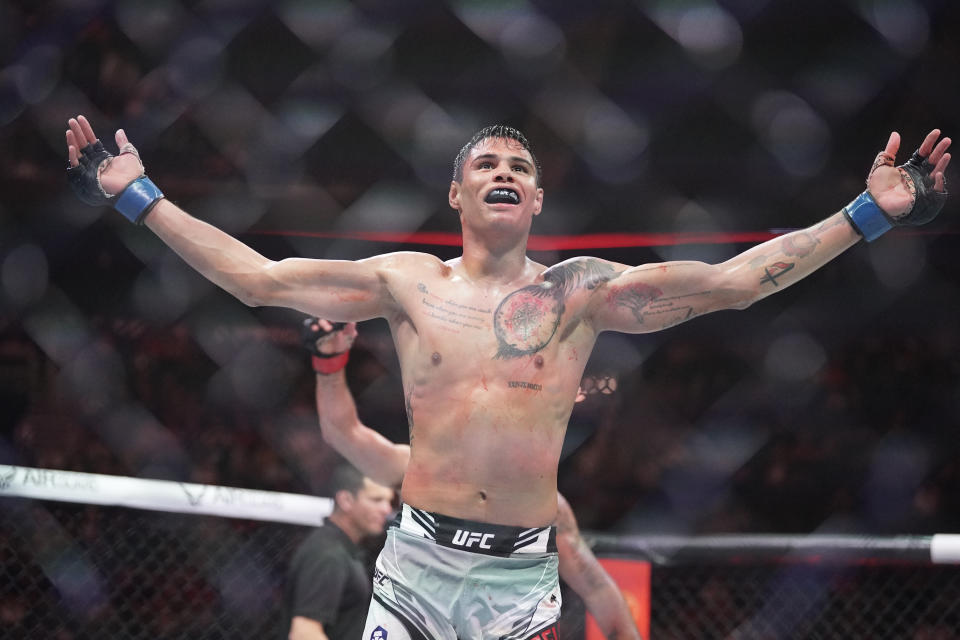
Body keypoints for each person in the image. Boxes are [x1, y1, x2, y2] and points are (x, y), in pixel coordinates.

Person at [65, 115, 950, 639]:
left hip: (519, 586)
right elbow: (255, 278)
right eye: (484, 165)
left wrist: (868, 214)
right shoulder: (403, 281)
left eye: (519, 169)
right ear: (456, 196)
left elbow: (735, 284)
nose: (502, 174)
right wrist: (138, 196)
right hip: (411, 565)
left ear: (535, 204)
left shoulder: (583, 292)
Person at [301, 317, 642, 640]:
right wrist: (328, 363)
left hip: (510, 614)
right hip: (418, 604)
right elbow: (343, 433)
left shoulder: (541, 504)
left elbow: (597, 589)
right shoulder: (422, 467)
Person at [283, 463, 394, 640]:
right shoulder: (327, 554)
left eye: (388, 501)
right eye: (376, 500)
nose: (386, 509)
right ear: (346, 500)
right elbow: (304, 633)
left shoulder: (340, 550)